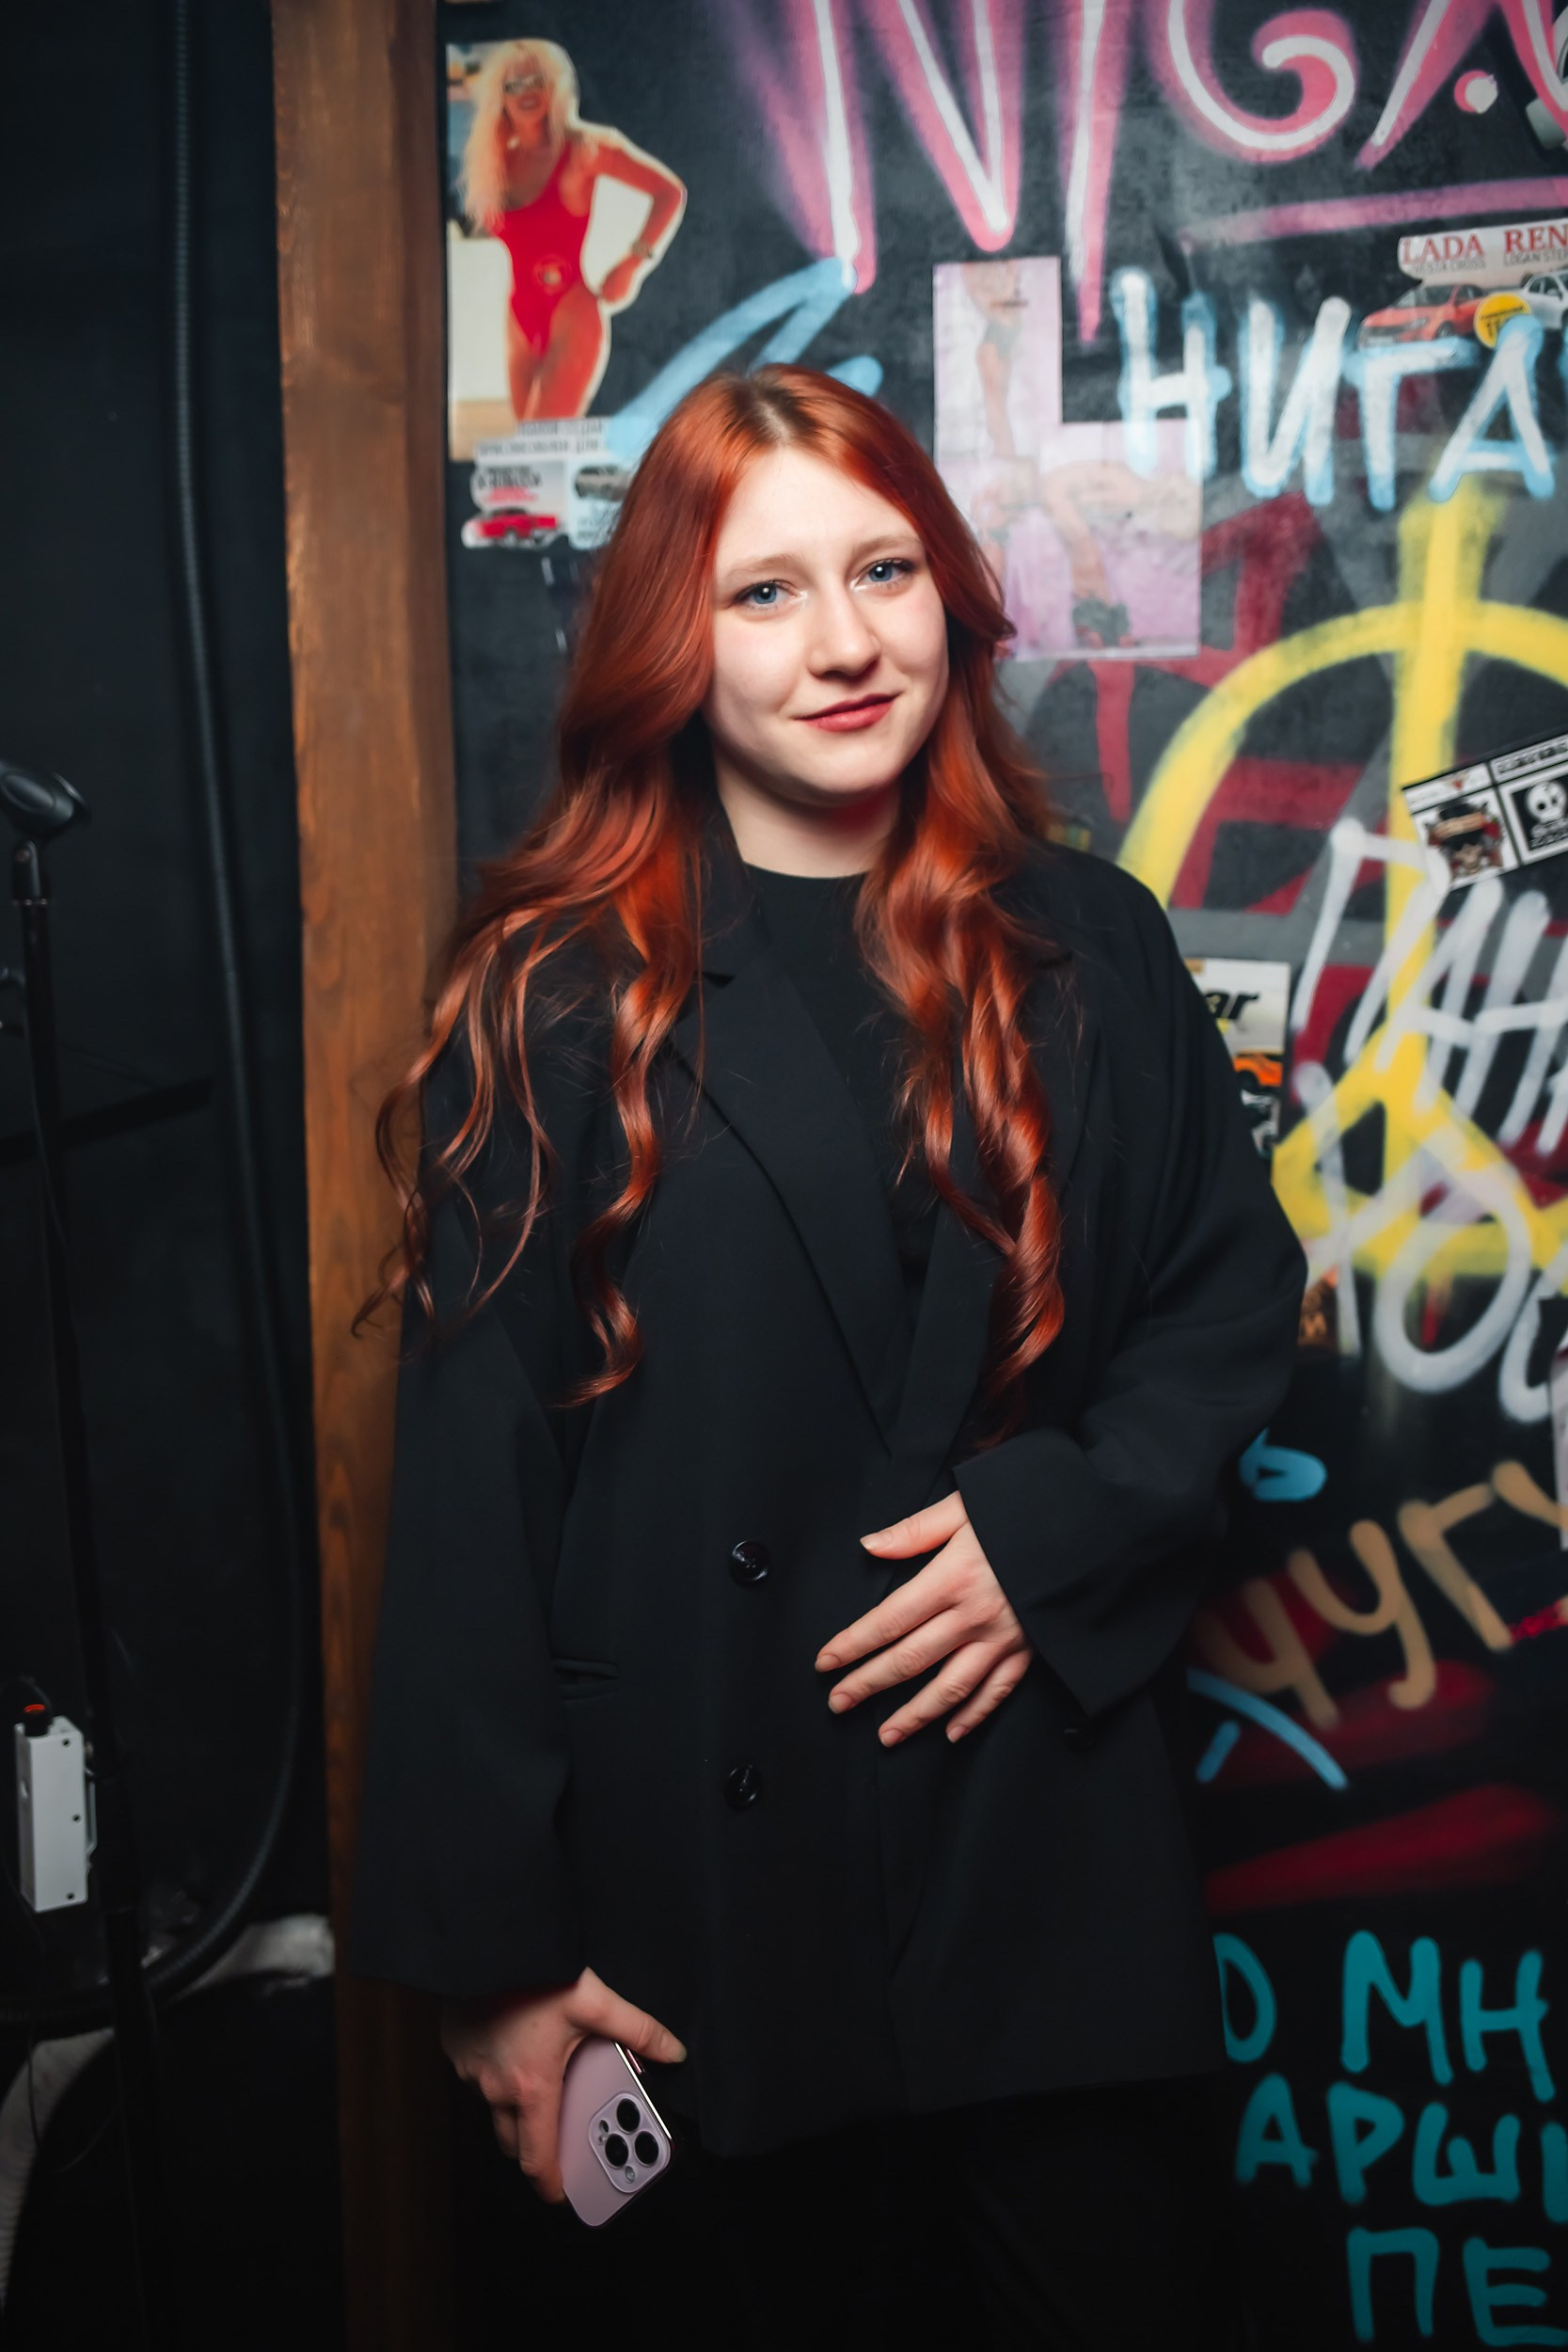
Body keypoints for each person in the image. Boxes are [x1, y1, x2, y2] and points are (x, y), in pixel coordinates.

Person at [350, 364, 1307, 2348]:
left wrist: (1052, 1534)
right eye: (764, 591)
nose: (845, 641)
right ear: (670, 638)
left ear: (950, 593)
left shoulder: (1091, 942)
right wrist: (493, 1959)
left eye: (881, 571)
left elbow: (1224, 1307)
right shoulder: (555, 994)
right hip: (690, 1913)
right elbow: (467, 1491)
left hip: (1041, 1870)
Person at [458, 39, 685, 421]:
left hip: (572, 316)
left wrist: (632, 264)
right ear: (501, 97)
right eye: (514, 85)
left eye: (537, 80)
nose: (526, 92)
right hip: (518, 319)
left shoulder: (585, 149)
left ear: (555, 86)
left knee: (544, 443)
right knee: (530, 447)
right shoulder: (495, 162)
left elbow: (669, 193)